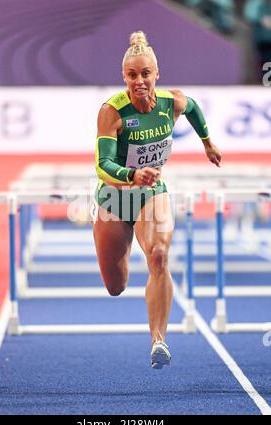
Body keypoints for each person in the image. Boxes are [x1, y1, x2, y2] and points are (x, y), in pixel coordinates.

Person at [92, 31, 221, 369]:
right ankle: (129, 267)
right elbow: (102, 165)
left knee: (160, 255)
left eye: (145, 74)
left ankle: (159, 340)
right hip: (114, 200)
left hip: (152, 193)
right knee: (115, 286)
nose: (140, 81)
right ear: (124, 77)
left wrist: (207, 142)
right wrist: (131, 174)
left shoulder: (171, 102)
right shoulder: (111, 111)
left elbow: (192, 107)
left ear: (156, 74)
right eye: (132, 75)